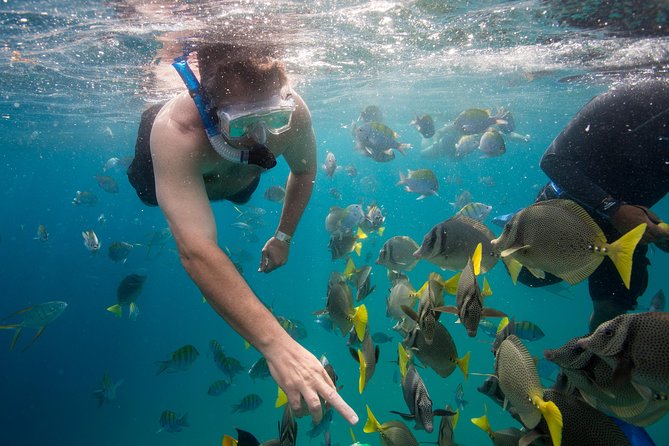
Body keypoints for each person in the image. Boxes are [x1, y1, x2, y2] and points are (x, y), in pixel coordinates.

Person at [127, 42, 358, 426]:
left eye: (273, 117)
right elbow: (197, 250)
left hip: (236, 179)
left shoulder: (295, 114)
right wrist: (277, 345)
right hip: (164, 173)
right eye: (242, 123)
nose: (260, 136)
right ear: (209, 109)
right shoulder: (177, 133)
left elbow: (303, 171)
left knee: (244, 189)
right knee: (145, 190)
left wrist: (283, 237)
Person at [518, 79, 669, 332]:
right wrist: (613, 208)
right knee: (528, 274)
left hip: (627, 231)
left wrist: (661, 234)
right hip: (568, 215)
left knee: (612, 315)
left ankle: (592, 366)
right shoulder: (631, 98)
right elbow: (553, 160)